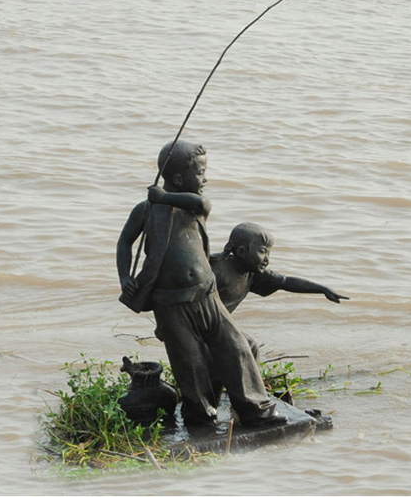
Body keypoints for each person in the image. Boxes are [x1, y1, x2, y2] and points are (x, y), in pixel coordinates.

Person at [116, 140, 285, 428]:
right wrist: (125, 278)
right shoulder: (145, 211)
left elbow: (202, 202)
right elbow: (124, 242)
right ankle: (201, 414)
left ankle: (256, 409)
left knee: (236, 348)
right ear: (180, 178)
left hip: (207, 295)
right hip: (169, 303)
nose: (205, 179)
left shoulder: (194, 207)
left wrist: (163, 197)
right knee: (189, 362)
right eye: (200, 173)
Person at [211, 222, 348, 359]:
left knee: (249, 346)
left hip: (219, 327)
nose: (267, 259)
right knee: (247, 344)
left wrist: (323, 289)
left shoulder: (252, 275)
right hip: (200, 326)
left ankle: (250, 380)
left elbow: (285, 282)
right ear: (241, 251)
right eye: (262, 251)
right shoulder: (217, 271)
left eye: (268, 253)